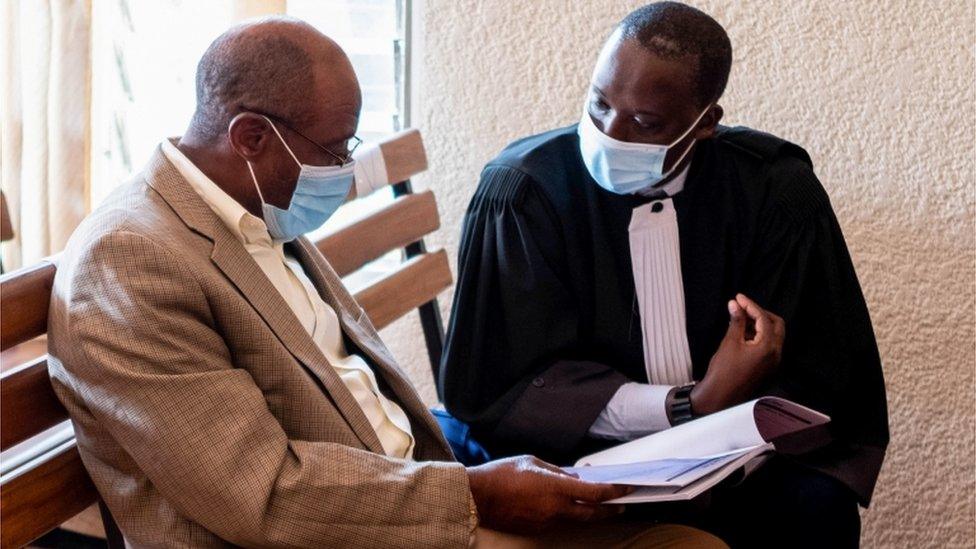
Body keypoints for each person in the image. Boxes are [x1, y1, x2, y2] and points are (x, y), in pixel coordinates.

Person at [47, 16, 724, 549]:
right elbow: (265, 497)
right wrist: (473, 493)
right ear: (250, 135)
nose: (344, 170)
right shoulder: (129, 264)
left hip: (403, 490)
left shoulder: (249, 207)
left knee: (687, 533)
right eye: (336, 148)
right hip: (337, 531)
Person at [441, 2, 889, 547]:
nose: (610, 132)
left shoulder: (775, 194)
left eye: (645, 122)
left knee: (818, 510)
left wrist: (734, 417)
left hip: (741, 467)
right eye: (598, 104)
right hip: (574, 462)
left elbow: (826, 378)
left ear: (706, 124)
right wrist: (692, 403)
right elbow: (497, 386)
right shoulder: (522, 194)